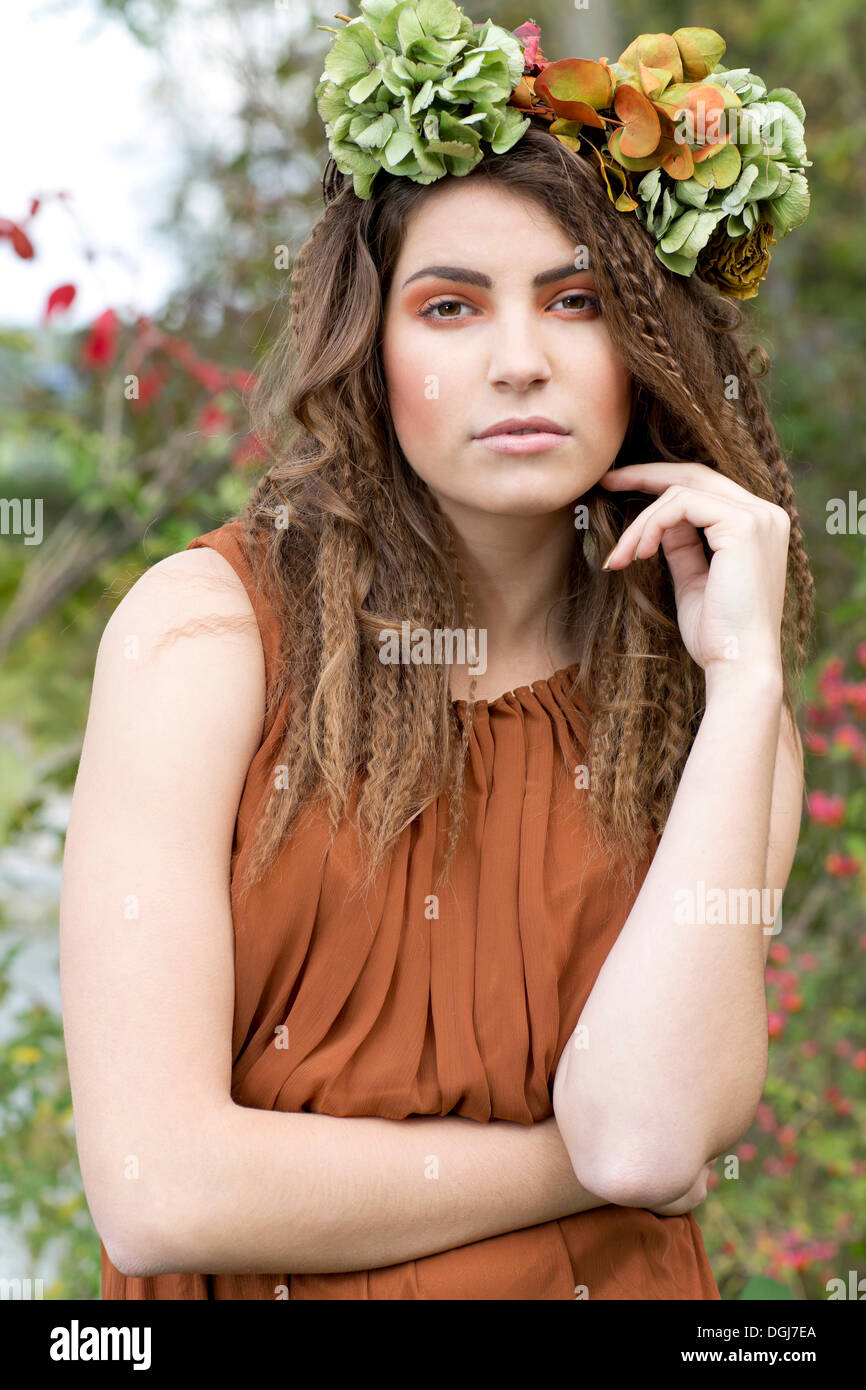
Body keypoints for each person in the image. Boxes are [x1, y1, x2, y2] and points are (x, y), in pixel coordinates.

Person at [60, 8, 812, 1299]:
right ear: (375, 347)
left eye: (573, 300)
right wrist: (560, 1168)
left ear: (639, 349)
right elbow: (158, 1191)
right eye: (450, 305)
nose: (517, 362)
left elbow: (641, 1127)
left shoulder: (716, 715)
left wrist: (746, 685)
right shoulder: (201, 644)